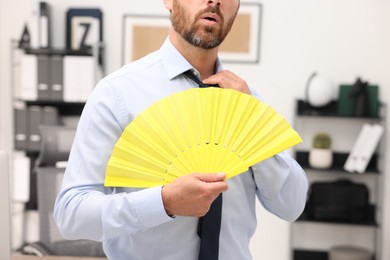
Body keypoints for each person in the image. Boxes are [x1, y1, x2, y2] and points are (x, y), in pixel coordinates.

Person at [54, 0, 308, 259]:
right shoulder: (116, 94)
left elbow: (292, 206)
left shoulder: (248, 100)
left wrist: (252, 121)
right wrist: (164, 203)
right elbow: (71, 214)